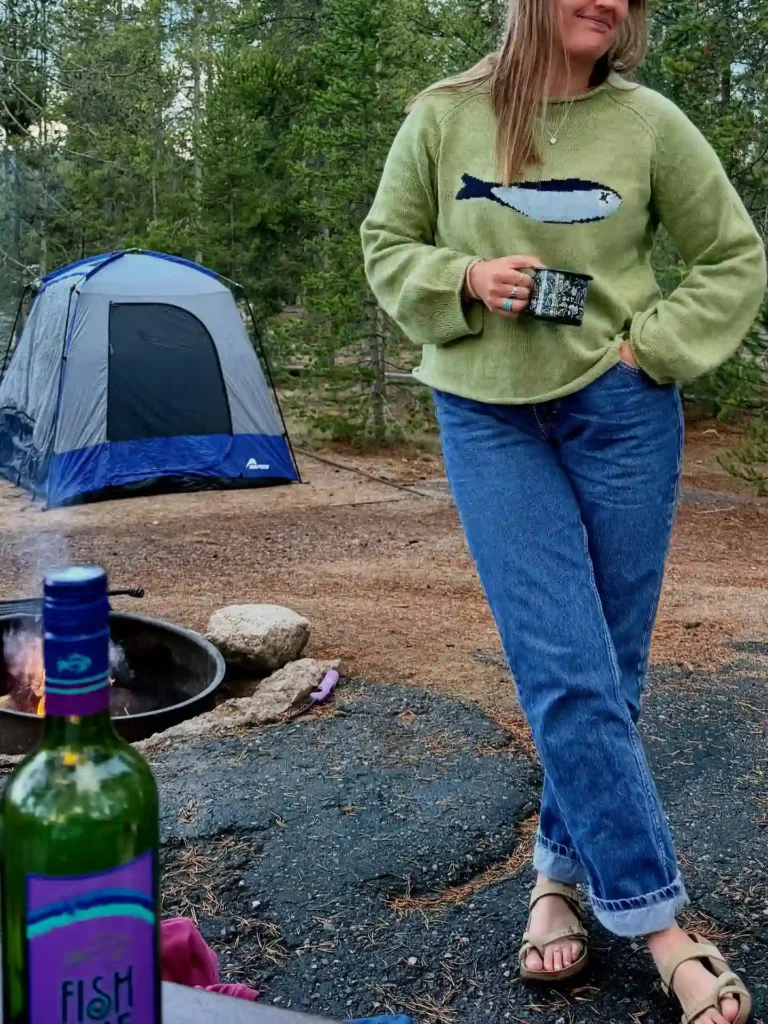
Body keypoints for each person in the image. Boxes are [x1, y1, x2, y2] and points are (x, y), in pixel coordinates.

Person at [360, 0, 766, 1020]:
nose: (611, 1)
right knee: (563, 665)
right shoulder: (443, 117)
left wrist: (651, 348)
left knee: (609, 669)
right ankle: (661, 919)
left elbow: (733, 257)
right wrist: (460, 276)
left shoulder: (650, 123)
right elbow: (385, 243)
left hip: (622, 413)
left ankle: (552, 881)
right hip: (487, 417)